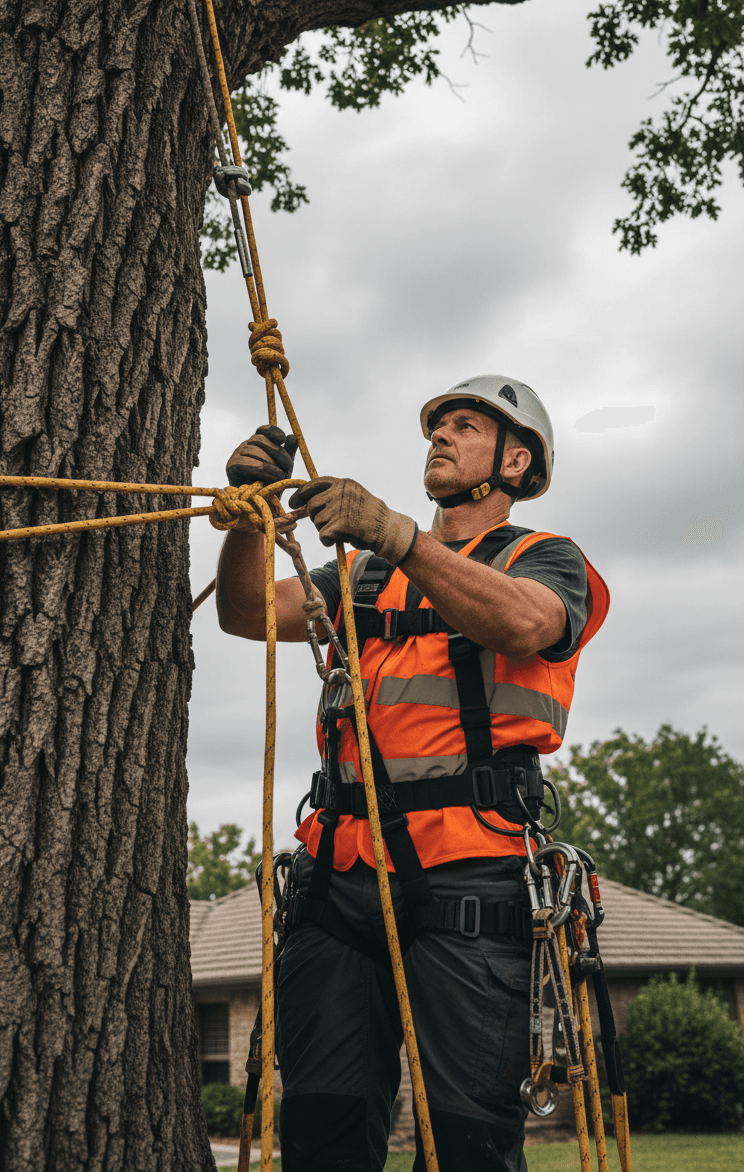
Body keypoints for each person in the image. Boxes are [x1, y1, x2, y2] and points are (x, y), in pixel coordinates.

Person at [216, 375, 609, 1172]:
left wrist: (396, 535)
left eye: (465, 426)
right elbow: (246, 611)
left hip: (472, 877)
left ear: (517, 460)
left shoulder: (547, 559)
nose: (441, 435)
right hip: (339, 877)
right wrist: (250, 518)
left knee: (468, 1141)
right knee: (321, 1134)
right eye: (438, 426)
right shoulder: (362, 575)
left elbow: (526, 622)